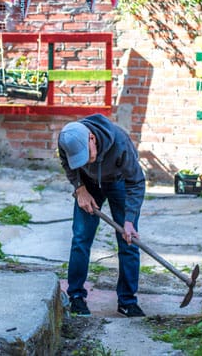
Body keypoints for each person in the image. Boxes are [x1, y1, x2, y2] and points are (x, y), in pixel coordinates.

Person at [57, 113, 146, 318]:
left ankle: (127, 301)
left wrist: (130, 220)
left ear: (92, 138)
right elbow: (66, 163)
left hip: (118, 182)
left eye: (86, 155)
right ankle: (76, 296)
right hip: (87, 184)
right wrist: (80, 189)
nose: (86, 161)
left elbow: (136, 182)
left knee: (128, 240)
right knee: (81, 238)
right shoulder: (67, 138)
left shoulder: (120, 144)